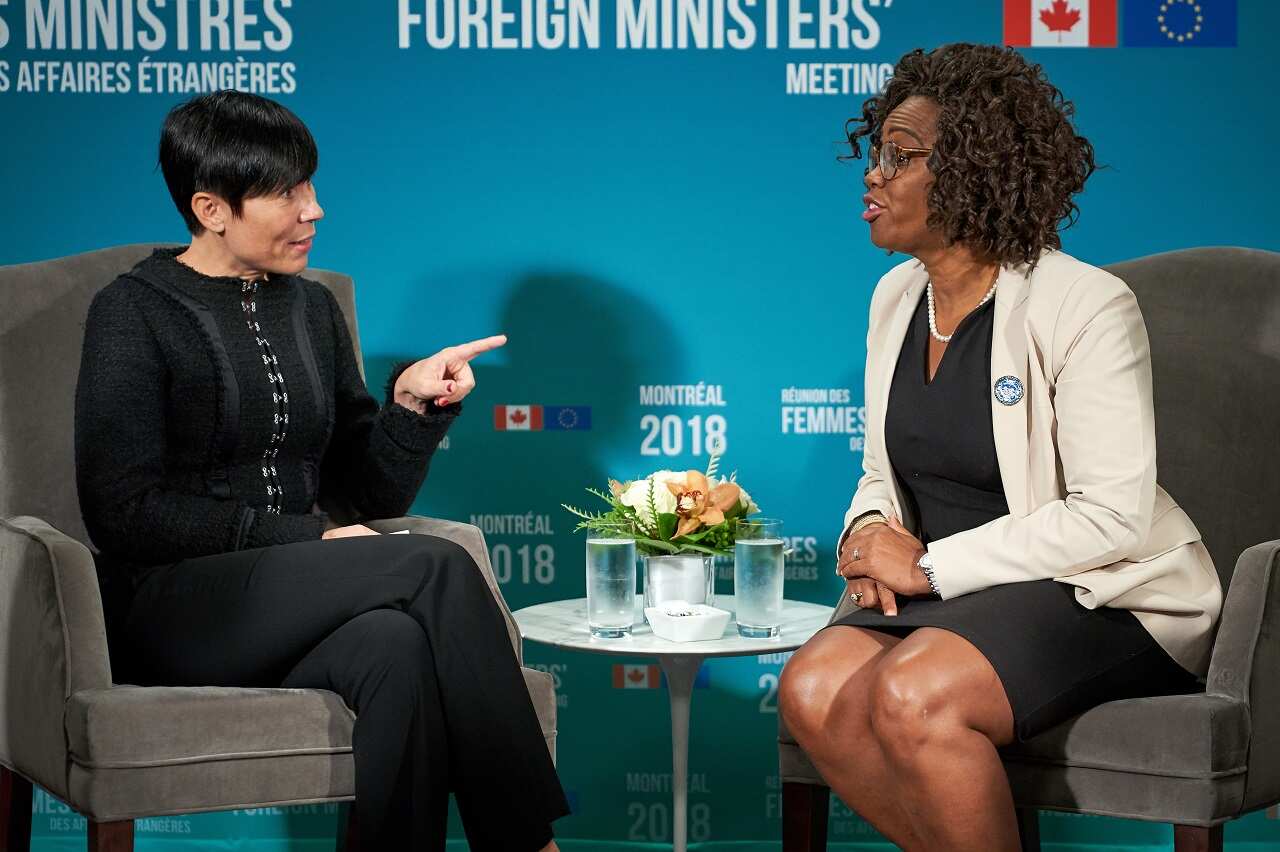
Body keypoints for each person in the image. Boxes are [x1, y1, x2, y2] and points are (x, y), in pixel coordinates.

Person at [74, 90, 569, 851]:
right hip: (170, 607)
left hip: (292, 594)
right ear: (211, 208)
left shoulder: (312, 309)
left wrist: (410, 411)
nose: (315, 210)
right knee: (433, 567)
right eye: (286, 193)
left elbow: (364, 494)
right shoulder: (132, 311)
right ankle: (529, 844)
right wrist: (304, 537)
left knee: (396, 650)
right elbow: (123, 509)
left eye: (310, 186)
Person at [777, 44, 1222, 852]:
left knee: (914, 693)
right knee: (810, 686)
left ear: (971, 174)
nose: (872, 176)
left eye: (899, 156)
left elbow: (1112, 516)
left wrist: (927, 569)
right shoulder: (894, 297)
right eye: (877, 153)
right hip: (956, 592)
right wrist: (865, 538)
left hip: (1098, 591)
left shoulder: (1084, 304)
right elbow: (883, 468)